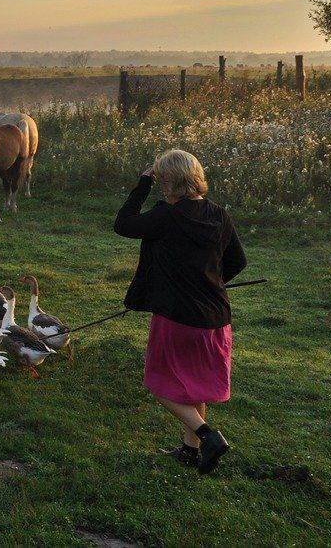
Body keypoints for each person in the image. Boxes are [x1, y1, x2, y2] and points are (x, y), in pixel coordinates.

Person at [113, 148, 245, 475]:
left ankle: (207, 436)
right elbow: (237, 262)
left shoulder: (167, 217)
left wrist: (142, 183)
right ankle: (190, 452)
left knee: (160, 384)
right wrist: (211, 282)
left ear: (167, 181)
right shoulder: (218, 214)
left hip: (177, 320)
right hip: (215, 319)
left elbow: (123, 224)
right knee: (195, 387)